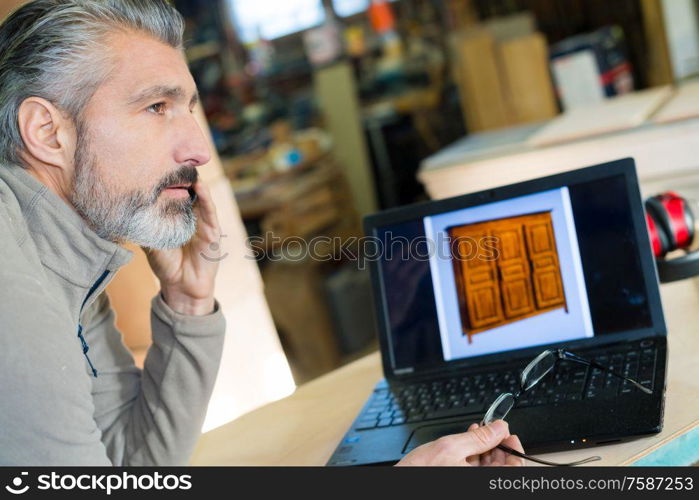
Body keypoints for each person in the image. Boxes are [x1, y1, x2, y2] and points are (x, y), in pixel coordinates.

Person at [0, 0, 525, 466]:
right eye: (156, 107)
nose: (198, 150)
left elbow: (132, 462)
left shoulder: (69, 267)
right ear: (48, 131)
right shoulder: (11, 279)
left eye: (189, 108)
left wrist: (186, 308)